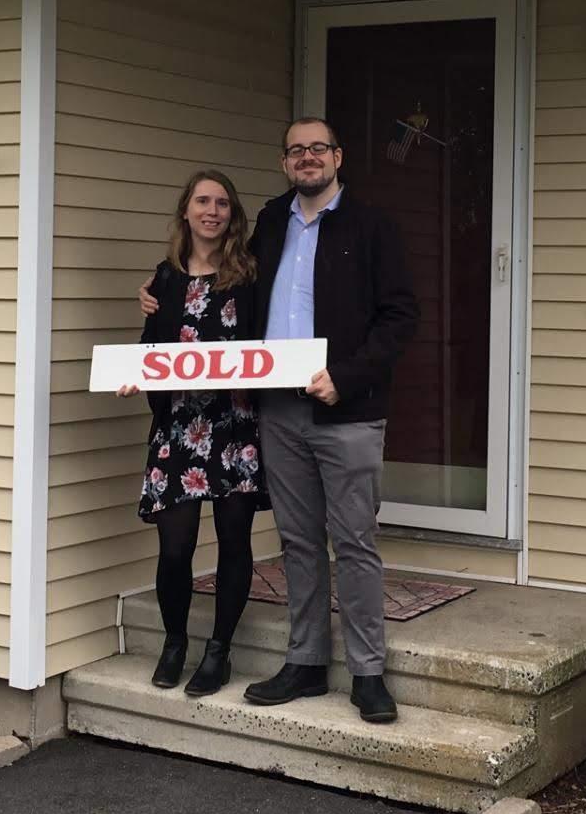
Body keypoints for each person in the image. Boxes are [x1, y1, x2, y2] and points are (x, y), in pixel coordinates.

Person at [140, 118, 417, 723]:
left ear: (338, 156)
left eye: (318, 148)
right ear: (285, 162)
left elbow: (400, 318)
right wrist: (160, 294)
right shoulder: (269, 223)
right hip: (277, 409)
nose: (308, 158)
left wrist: (346, 376)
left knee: (354, 541)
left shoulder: (372, 226)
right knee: (297, 541)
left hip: (346, 408)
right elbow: (213, 281)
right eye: (296, 151)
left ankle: (368, 673)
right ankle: (307, 661)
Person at [122, 169, 267, 698]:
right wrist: (132, 374)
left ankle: (219, 650)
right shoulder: (163, 279)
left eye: (223, 203)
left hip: (234, 428)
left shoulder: (250, 274)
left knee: (234, 541)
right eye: (203, 201)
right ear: (186, 210)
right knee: (175, 547)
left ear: (233, 214)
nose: (213, 211)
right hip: (180, 429)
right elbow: (150, 347)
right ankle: (175, 642)